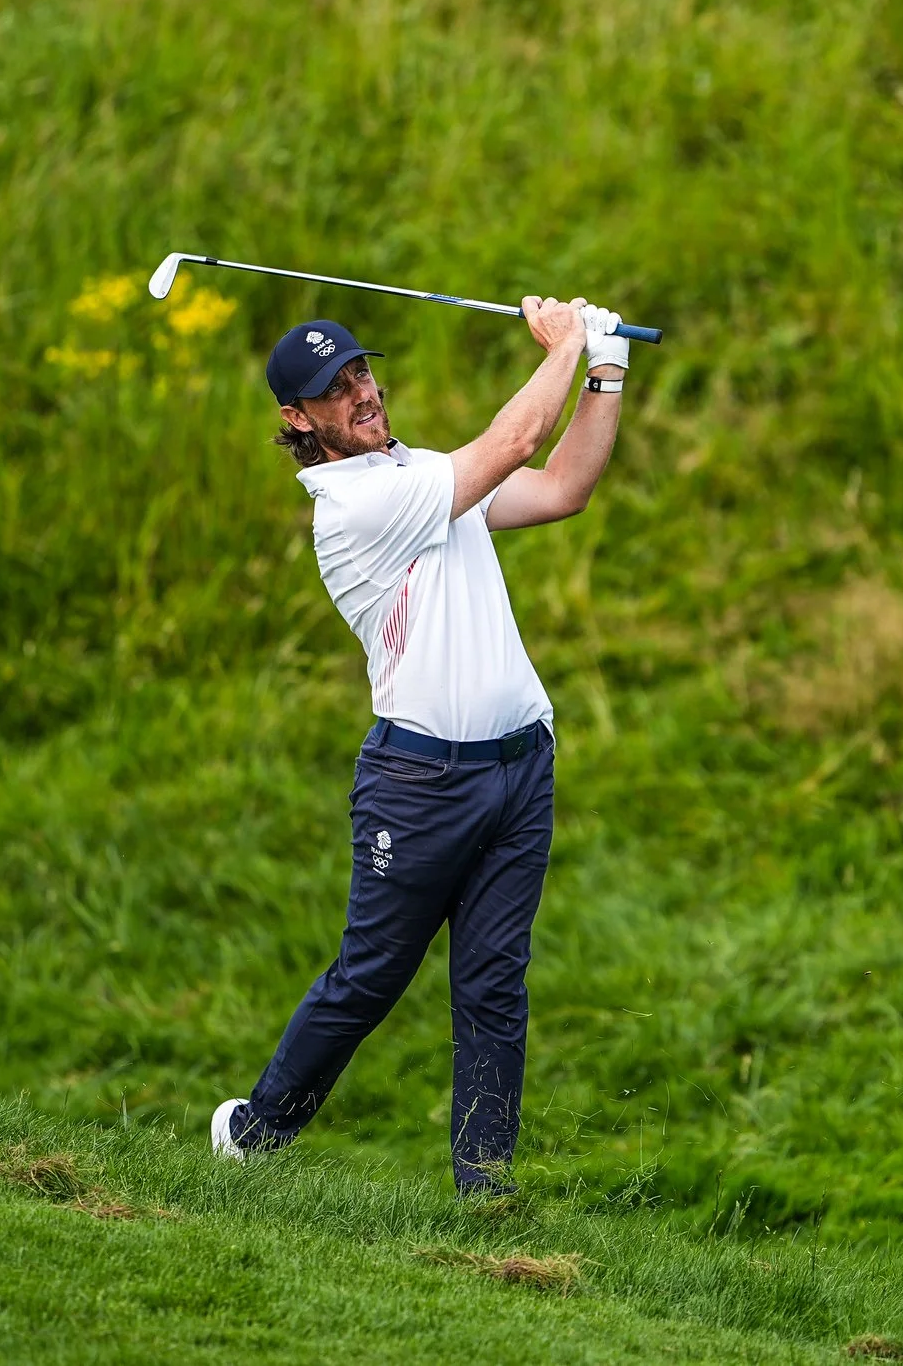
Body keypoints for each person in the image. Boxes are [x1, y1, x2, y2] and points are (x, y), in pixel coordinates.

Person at [209, 295, 633, 1195]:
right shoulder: (354, 505)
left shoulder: (427, 473)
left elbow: (564, 488)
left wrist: (604, 368)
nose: (361, 392)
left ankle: (486, 1191)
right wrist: (564, 343)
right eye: (335, 388)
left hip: (521, 771)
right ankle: (253, 1129)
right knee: (369, 979)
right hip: (420, 783)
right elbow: (515, 442)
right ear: (298, 419)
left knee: (494, 989)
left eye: (361, 370)